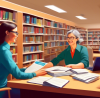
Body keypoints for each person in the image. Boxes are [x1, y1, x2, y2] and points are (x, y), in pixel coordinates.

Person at [0, 22, 47, 98]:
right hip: (3, 89)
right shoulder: (4, 51)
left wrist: (26, 69)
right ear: (7, 32)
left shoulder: (2, 48)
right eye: (15, 32)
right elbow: (18, 75)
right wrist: (35, 73)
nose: (17, 35)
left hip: (5, 84)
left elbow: (11, 70)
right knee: (31, 93)